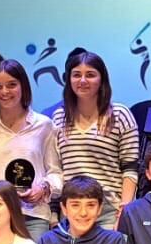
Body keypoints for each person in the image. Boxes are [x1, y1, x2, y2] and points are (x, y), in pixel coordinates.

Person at [0, 59, 59, 237]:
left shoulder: (44, 126)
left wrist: (43, 188)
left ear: (23, 86)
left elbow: (55, 173)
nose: (5, 92)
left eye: (11, 85)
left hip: (33, 216)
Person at [50, 51, 141, 225]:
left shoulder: (120, 115)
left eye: (90, 75)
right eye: (76, 75)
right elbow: (57, 169)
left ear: (102, 80)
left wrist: (124, 209)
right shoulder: (59, 117)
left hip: (109, 209)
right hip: (71, 208)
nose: (83, 81)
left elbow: (130, 168)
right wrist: (55, 214)